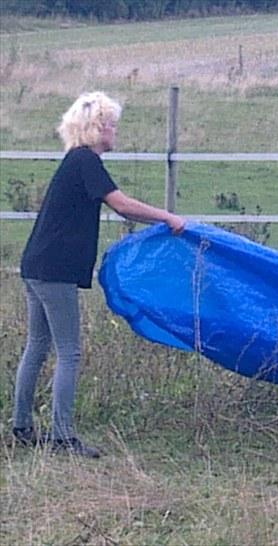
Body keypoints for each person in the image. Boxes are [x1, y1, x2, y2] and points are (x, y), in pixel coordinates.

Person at [12, 91, 186, 458]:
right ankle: (62, 436)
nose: (115, 130)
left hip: (36, 265)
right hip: (54, 271)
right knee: (69, 352)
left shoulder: (74, 162)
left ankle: (22, 426)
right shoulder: (85, 162)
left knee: (38, 345)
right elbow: (122, 205)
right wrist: (168, 217)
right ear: (96, 128)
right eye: (111, 124)